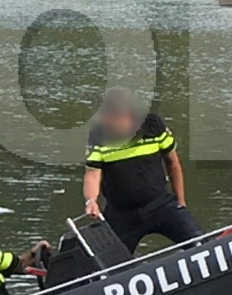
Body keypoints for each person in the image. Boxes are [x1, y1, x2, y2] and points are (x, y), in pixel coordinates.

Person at [84, 86, 204, 254]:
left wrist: (181, 202)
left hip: (160, 205)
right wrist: (91, 201)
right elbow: (92, 175)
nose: (104, 121)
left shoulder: (153, 126)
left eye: (108, 117)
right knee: (104, 266)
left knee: (200, 244)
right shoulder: (98, 135)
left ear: (127, 116)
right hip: (121, 215)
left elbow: (173, 163)